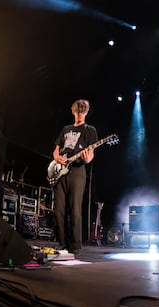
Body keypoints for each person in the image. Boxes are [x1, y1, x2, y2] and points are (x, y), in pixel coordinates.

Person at [52, 99, 98, 256]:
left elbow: (90, 155)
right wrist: (57, 159)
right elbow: (56, 151)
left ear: (86, 112)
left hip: (77, 172)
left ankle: (75, 246)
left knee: (75, 209)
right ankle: (61, 244)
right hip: (60, 171)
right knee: (58, 209)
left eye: (82, 111)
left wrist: (87, 159)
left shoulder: (90, 130)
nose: (79, 114)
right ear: (73, 111)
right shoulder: (66, 129)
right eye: (77, 111)